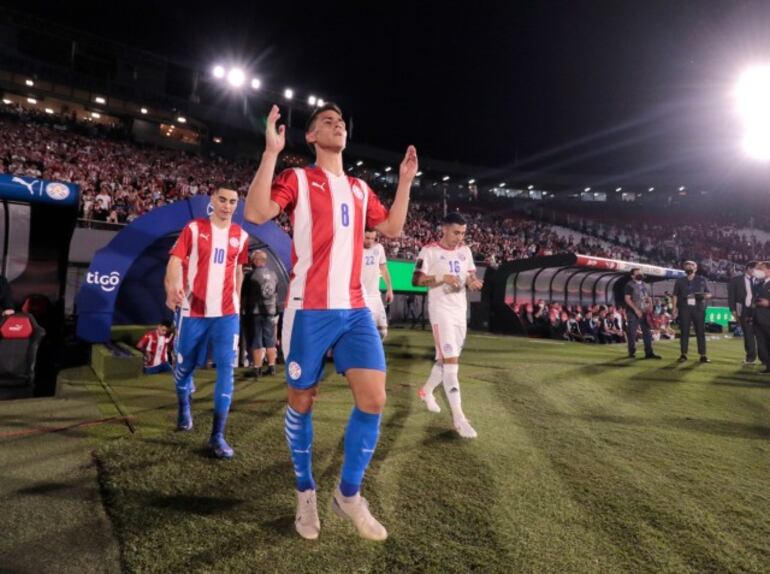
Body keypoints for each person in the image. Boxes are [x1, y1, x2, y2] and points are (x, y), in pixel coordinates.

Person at [244, 103, 417, 541]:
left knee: (374, 400)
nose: (337, 124)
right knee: (303, 401)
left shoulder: (360, 188)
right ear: (310, 136)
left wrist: (405, 181)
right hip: (309, 309)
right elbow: (258, 212)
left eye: (340, 121)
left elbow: (393, 227)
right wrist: (270, 152)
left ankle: (348, 495)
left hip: (356, 308)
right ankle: (305, 493)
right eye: (326, 121)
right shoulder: (298, 178)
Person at [164, 186, 249, 459]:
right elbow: (175, 261)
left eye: (232, 201)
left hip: (227, 315)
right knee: (184, 368)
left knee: (226, 370)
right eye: (222, 199)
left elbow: (238, 269)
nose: (227, 205)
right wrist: (171, 287)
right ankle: (183, 406)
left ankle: (217, 436)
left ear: (237, 205)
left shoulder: (242, 235)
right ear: (213, 200)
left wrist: (237, 297)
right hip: (194, 312)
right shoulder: (193, 228)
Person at [413, 212, 484, 439]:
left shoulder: (465, 252)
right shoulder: (429, 250)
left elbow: (470, 275)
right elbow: (416, 280)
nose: (459, 237)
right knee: (452, 363)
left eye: (463, 233)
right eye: (456, 232)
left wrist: (473, 282)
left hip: (459, 312)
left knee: (445, 360)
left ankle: (426, 391)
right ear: (444, 229)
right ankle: (459, 418)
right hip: (440, 312)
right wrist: (442, 277)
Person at [243, 249, 279, 378]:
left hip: (255, 312)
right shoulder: (274, 274)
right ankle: (272, 366)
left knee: (256, 339)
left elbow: (244, 296)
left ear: (256, 260)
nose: (251, 262)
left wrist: (243, 309)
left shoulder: (250, 276)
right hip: (270, 311)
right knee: (270, 339)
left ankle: (257, 368)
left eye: (252, 260)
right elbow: (275, 292)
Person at [672, 260, 711, 363]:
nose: (689, 266)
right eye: (686, 265)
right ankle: (683, 354)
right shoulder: (679, 281)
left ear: (696, 268)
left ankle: (703, 355)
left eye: (691, 265)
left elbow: (709, 294)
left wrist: (702, 296)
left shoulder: (702, 280)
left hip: (699, 308)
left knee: (700, 332)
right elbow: (675, 295)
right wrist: (674, 309)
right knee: (684, 332)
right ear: (684, 268)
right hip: (684, 308)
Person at [728, 260, 764, 365]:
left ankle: (764, 359)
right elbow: (731, 297)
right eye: (756, 268)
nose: (758, 271)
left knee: (761, 335)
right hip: (745, 311)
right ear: (748, 268)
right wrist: (733, 311)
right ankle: (750, 358)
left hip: (759, 311)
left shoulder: (760, 280)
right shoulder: (736, 281)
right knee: (748, 335)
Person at [623, 268, 662, 359]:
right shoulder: (629, 285)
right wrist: (636, 310)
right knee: (632, 333)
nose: (640, 274)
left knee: (647, 332)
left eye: (640, 272)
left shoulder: (646, 285)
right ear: (632, 276)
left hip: (645, 312)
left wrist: (651, 306)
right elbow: (627, 299)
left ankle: (649, 353)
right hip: (633, 312)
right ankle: (631, 352)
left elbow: (648, 297)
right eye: (637, 273)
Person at [362, 229, 394, 339]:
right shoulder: (354, 249)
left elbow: (384, 270)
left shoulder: (379, 248)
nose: (370, 241)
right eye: (367, 238)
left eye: (372, 238)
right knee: (367, 332)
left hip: (376, 296)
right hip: (362, 297)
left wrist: (390, 289)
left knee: (382, 332)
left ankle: (375, 354)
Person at [750, 261, 770, 374]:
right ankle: (768, 366)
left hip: (768, 318)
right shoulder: (759, 284)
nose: (759, 271)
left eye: (761, 269)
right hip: (758, 319)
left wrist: (768, 303)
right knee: (762, 345)